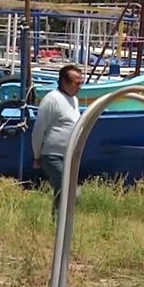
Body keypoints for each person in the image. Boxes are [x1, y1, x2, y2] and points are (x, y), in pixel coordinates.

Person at [31, 64, 84, 217]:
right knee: (69, 190)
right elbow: (38, 130)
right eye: (77, 83)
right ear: (64, 82)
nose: (80, 87)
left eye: (81, 83)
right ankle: (61, 223)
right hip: (52, 155)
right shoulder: (52, 99)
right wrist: (37, 156)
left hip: (69, 155)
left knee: (62, 192)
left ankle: (59, 223)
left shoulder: (74, 100)